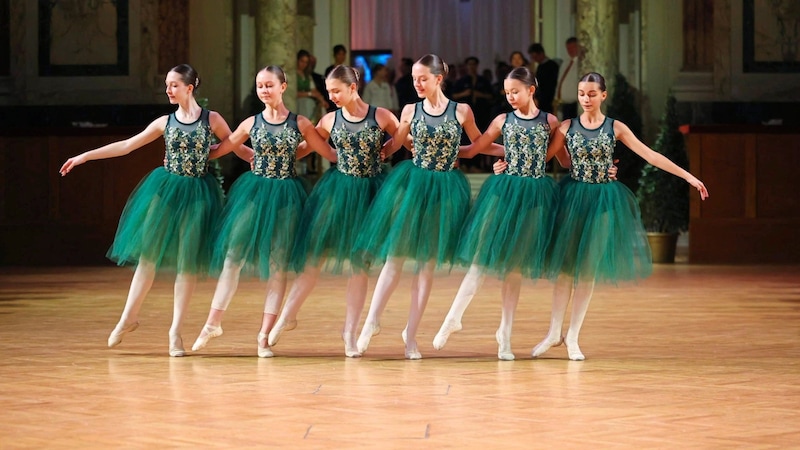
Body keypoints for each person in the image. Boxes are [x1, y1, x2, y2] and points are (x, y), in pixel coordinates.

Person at [497, 72, 708, 361]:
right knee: (564, 270)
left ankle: (572, 337)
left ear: (603, 96)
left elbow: (650, 155)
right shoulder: (567, 127)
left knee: (587, 270)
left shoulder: (615, 127)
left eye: (592, 93)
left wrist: (689, 177)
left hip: (602, 201)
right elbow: (537, 157)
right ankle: (553, 333)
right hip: (572, 199)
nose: (586, 98)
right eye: (582, 93)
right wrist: (504, 164)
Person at [59, 64, 236, 357]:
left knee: (187, 265)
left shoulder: (211, 119)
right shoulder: (164, 122)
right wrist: (84, 156)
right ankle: (128, 318)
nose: (168, 90)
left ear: (190, 88)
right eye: (167, 85)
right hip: (166, 191)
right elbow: (128, 145)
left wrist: (235, 153)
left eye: (174, 85)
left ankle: (175, 333)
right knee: (148, 258)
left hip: (199, 195)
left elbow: (233, 142)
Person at [354, 54, 502, 360]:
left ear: (438, 78)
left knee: (426, 266)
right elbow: (395, 143)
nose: (417, 84)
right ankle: (371, 321)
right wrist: (369, 150)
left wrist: (513, 149)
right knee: (394, 257)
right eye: (413, 78)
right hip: (413, 185)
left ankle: (411, 335)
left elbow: (477, 145)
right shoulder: (410, 109)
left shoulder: (461, 110)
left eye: (422, 78)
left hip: (446, 189)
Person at [190, 66, 336, 357]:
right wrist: (187, 151)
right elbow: (221, 148)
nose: (264, 90)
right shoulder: (250, 123)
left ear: (283, 87)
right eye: (260, 86)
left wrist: (375, 152)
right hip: (254, 194)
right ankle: (212, 323)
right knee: (233, 257)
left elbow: (328, 152)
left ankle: (264, 336)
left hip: (287, 197)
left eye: (269, 85)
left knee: (279, 264)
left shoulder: (301, 122)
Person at [267, 65, 401, 358]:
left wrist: (387, 150)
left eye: (336, 91)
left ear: (353, 88)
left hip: (370, 193)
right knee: (314, 257)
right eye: (328, 92)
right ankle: (288, 315)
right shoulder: (329, 119)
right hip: (336, 192)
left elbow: (404, 141)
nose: (331, 97)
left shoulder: (381, 116)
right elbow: (306, 146)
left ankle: (349, 333)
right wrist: (271, 155)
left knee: (359, 265)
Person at [432, 67, 562, 361]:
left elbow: (557, 156)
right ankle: (453, 317)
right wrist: (440, 151)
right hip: (504, 193)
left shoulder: (550, 122)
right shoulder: (503, 119)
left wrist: (608, 166)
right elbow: (474, 148)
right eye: (506, 92)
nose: (510, 97)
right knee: (480, 259)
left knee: (514, 269)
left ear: (531, 89)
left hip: (536, 196)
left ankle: (504, 335)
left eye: (515, 91)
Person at [296, 50, 328, 123]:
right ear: (297, 60)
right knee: (307, 103)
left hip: (308, 101)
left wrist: (322, 100)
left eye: (306, 62)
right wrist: (309, 94)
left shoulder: (307, 75)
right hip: (299, 102)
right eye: (302, 61)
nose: (304, 64)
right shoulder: (293, 75)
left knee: (319, 106)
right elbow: (292, 93)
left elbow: (314, 90)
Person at [528, 43, 559, 114]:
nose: (534, 59)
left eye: (535, 57)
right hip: (541, 99)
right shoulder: (540, 66)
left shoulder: (552, 66)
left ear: (541, 54)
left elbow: (550, 85)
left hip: (548, 99)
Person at [554, 37, 581, 119]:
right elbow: (560, 81)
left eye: (573, 47)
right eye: (568, 48)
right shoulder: (565, 62)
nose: (570, 50)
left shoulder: (581, 64)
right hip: (563, 104)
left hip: (575, 104)